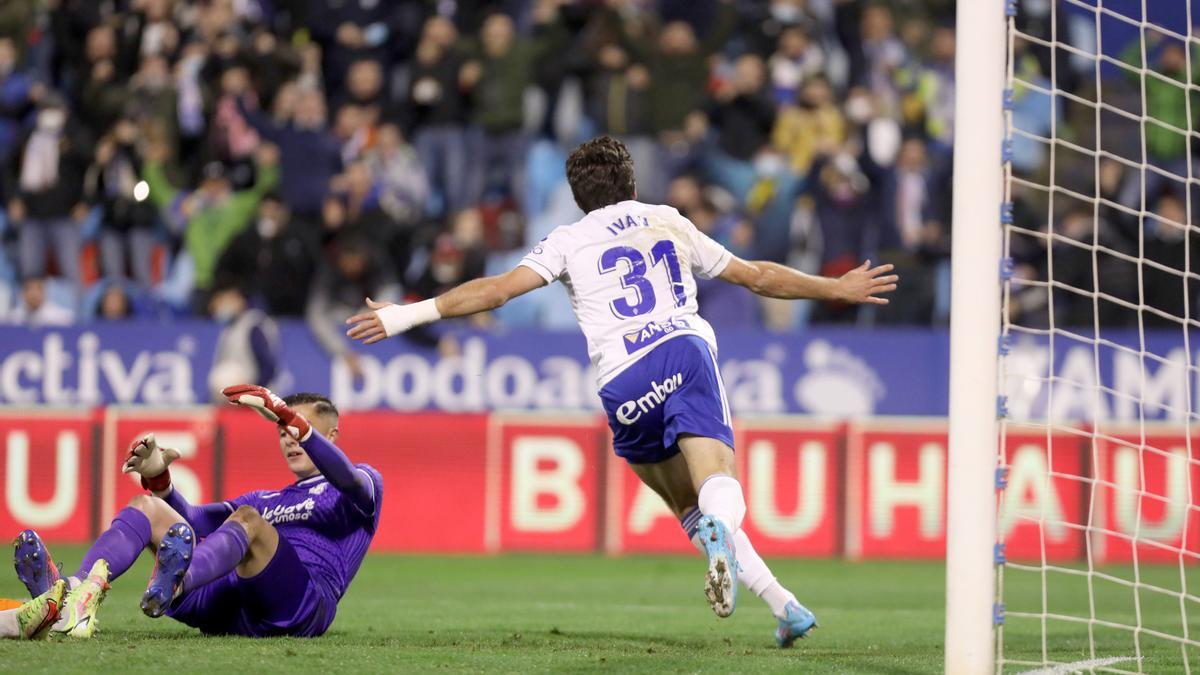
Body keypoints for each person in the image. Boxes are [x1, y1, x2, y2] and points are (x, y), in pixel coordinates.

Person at [346, 136, 898, 646]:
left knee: (686, 504)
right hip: (682, 351)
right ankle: (724, 534)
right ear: (632, 185)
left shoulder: (566, 239)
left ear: (579, 198)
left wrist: (404, 316)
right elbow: (755, 276)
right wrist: (835, 288)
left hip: (623, 383)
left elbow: (495, 292)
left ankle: (785, 608)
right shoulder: (666, 219)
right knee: (717, 485)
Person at [14, 388, 383, 638]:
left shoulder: (360, 483)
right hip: (234, 603)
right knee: (148, 507)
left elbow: (348, 478)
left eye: (297, 429)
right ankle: (66, 599)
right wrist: (160, 482)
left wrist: (288, 416)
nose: (289, 437)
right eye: (282, 430)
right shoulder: (266, 497)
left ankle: (176, 583)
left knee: (249, 521)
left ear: (330, 436)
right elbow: (191, 522)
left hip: (300, 606)